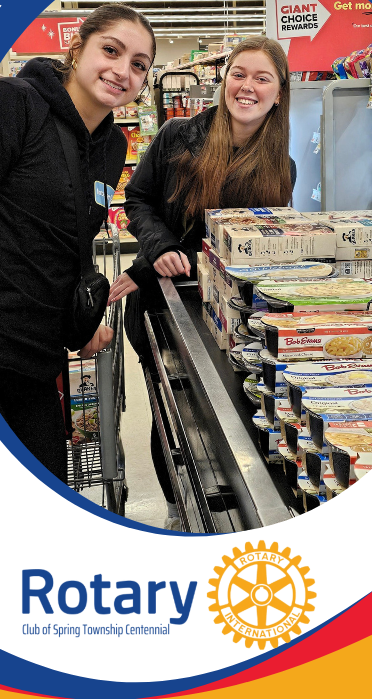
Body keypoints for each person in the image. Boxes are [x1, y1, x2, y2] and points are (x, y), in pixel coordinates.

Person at [0, 4, 156, 482]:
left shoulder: (112, 146)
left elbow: (72, 239)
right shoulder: (14, 102)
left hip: (42, 356)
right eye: (111, 50)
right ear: (76, 47)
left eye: (139, 65)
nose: (122, 70)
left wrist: (81, 318)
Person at [108, 35, 298, 531]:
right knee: (170, 412)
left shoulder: (282, 165)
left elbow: (261, 244)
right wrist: (159, 251)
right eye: (239, 74)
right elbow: (139, 200)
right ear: (224, 78)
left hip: (238, 316)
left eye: (262, 78)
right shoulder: (178, 136)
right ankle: (176, 509)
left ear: (279, 92)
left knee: (235, 407)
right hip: (162, 306)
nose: (247, 87)